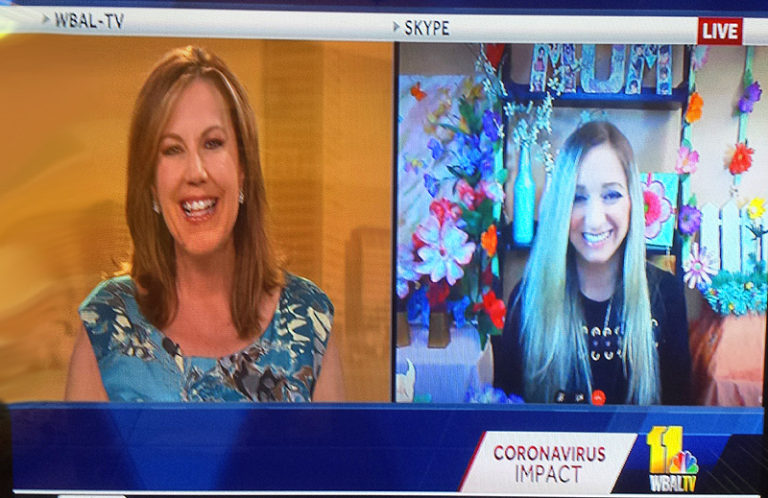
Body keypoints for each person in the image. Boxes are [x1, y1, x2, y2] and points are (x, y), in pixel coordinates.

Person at [65, 46, 344, 402]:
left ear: (243, 169)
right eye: (172, 149)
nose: (195, 172)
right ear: (150, 183)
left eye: (213, 143)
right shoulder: (106, 322)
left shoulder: (308, 318)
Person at [492, 121, 691, 405]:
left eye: (611, 195)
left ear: (632, 202)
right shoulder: (527, 299)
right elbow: (507, 420)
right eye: (578, 197)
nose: (595, 219)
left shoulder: (667, 295)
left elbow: (680, 417)